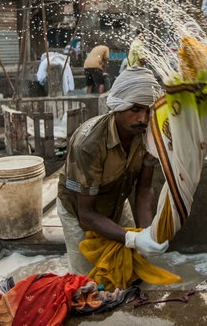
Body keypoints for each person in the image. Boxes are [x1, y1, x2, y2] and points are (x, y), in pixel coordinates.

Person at [56, 67, 168, 275]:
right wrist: (131, 237)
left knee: (127, 269)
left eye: (148, 110)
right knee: (87, 282)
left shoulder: (149, 137)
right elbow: (86, 214)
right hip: (79, 211)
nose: (143, 119)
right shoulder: (89, 144)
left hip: (116, 200)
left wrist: (147, 233)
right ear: (118, 107)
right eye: (135, 109)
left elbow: (144, 188)